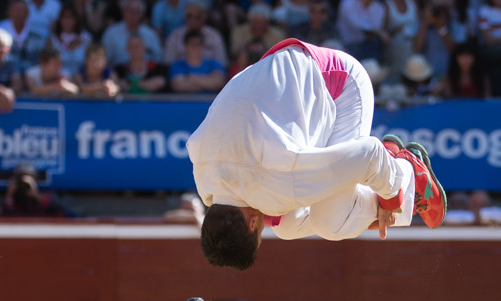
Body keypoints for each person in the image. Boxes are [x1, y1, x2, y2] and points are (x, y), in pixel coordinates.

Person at [187, 39, 446, 270]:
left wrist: (391, 199)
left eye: (259, 235)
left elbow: (368, 154)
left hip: (340, 84)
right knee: (288, 226)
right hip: (285, 78)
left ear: (252, 223)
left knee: (331, 222)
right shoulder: (205, 179)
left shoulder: (281, 177)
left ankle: (408, 172)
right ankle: (383, 186)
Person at [163, 0, 226, 70]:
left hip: (209, 76)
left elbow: (222, 64)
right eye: (189, 16)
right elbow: (167, 64)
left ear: (204, 17)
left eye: (197, 17)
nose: (192, 20)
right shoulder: (174, 37)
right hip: (182, 76)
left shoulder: (214, 37)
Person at [100, 0, 160, 69]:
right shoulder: (110, 34)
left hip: (147, 74)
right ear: (123, 12)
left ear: (142, 14)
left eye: (137, 11)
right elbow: (105, 60)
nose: (133, 15)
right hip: (119, 75)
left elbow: (157, 59)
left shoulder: (150, 35)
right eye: (130, 11)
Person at [169, 28, 224, 93]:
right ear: (185, 46)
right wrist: (208, 83)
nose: (195, 47)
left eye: (198, 44)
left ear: (203, 46)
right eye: (192, 44)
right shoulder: (177, 65)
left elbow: (219, 83)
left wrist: (190, 78)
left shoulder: (214, 64)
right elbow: (179, 86)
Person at [3, 163, 68, 216]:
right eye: (21, 178)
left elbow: (61, 213)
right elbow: (6, 218)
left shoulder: (47, 196)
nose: (24, 182)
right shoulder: (13, 198)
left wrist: (37, 196)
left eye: (29, 177)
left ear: (35, 179)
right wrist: (9, 196)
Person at [49, 4, 90, 78]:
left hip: (82, 79)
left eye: (71, 17)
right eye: (64, 17)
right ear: (60, 19)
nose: (67, 20)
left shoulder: (86, 38)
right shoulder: (52, 40)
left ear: (76, 19)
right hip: (59, 80)